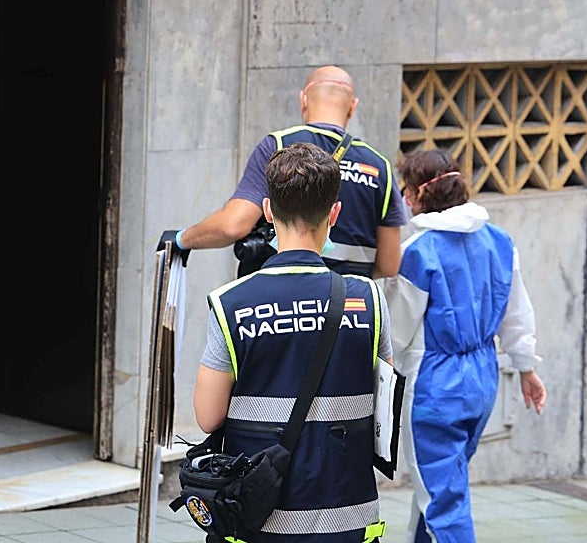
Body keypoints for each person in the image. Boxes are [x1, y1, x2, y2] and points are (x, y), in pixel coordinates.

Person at [193, 141, 392, 543]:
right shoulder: (368, 299)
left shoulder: (231, 302)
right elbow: (383, 412)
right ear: (334, 213)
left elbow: (208, 418)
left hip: (257, 521)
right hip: (346, 521)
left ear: (267, 210)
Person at [382, 148, 547, 543]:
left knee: (442, 500)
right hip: (482, 379)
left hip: (434, 387)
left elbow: (398, 332)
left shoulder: (419, 253)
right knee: (445, 486)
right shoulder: (500, 241)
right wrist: (527, 368)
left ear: (416, 195)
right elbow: (517, 312)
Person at [159, 65, 407, 278]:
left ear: (303, 100)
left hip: (280, 307)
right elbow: (389, 265)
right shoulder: (379, 166)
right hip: (348, 310)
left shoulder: (278, 146)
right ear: (352, 107)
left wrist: (182, 239)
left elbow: (233, 225)